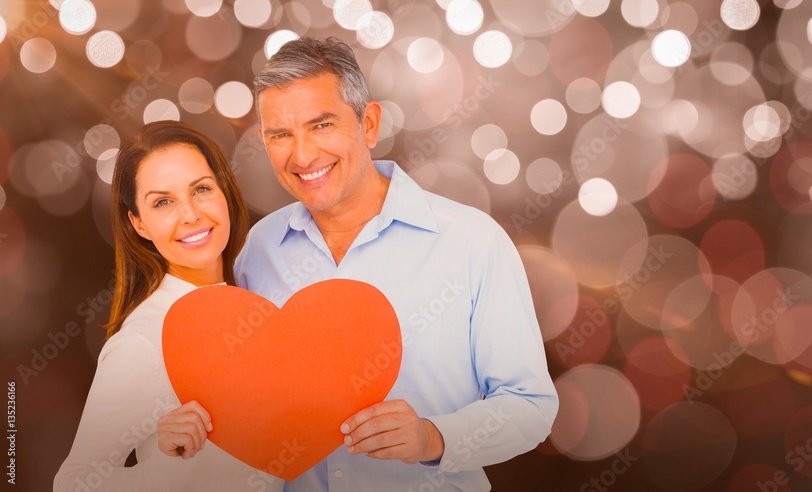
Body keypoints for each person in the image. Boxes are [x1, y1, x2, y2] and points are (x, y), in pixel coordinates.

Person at [233, 36, 559, 491]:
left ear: (368, 124)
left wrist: (433, 437)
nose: (302, 155)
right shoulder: (260, 248)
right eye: (280, 135)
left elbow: (531, 405)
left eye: (321, 125)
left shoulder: (471, 242)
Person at [54, 121, 283, 492]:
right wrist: (164, 467)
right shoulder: (145, 340)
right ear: (139, 224)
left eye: (202, 189)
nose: (190, 214)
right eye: (163, 202)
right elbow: (73, 483)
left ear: (224, 189)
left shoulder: (260, 302)